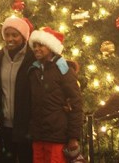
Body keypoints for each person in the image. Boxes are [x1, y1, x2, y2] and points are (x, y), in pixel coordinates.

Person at [28, 26, 84, 163]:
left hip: (57, 136)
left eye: (41, 45)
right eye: (34, 45)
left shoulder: (63, 70)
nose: (36, 49)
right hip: (38, 135)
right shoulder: (33, 70)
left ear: (50, 47)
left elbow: (76, 103)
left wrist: (73, 137)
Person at [0, 16, 36, 163]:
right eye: (7, 35)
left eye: (14, 35)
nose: (10, 39)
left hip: (27, 126)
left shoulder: (33, 58)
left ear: (23, 37)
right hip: (4, 127)